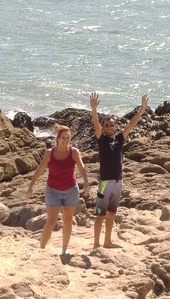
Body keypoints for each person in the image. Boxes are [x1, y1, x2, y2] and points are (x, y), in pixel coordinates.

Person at [90, 92, 148, 249]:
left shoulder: (119, 139)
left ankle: (107, 241)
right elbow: (95, 124)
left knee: (111, 214)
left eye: (112, 124)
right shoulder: (101, 139)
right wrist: (94, 109)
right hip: (104, 183)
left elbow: (131, 125)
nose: (109, 126)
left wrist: (141, 110)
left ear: (115, 126)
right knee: (100, 215)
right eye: (106, 124)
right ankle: (96, 244)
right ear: (104, 127)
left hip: (118, 181)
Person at [27, 124, 89, 255]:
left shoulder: (74, 152)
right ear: (58, 138)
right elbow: (40, 169)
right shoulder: (50, 153)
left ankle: (64, 251)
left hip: (70, 191)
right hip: (52, 191)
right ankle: (41, 250)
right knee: (51, 221)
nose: (65, 140)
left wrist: (87, 184)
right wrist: (31, 186)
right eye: (63, 137)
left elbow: (81, 167)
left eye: (68, 138)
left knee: (67, 221)